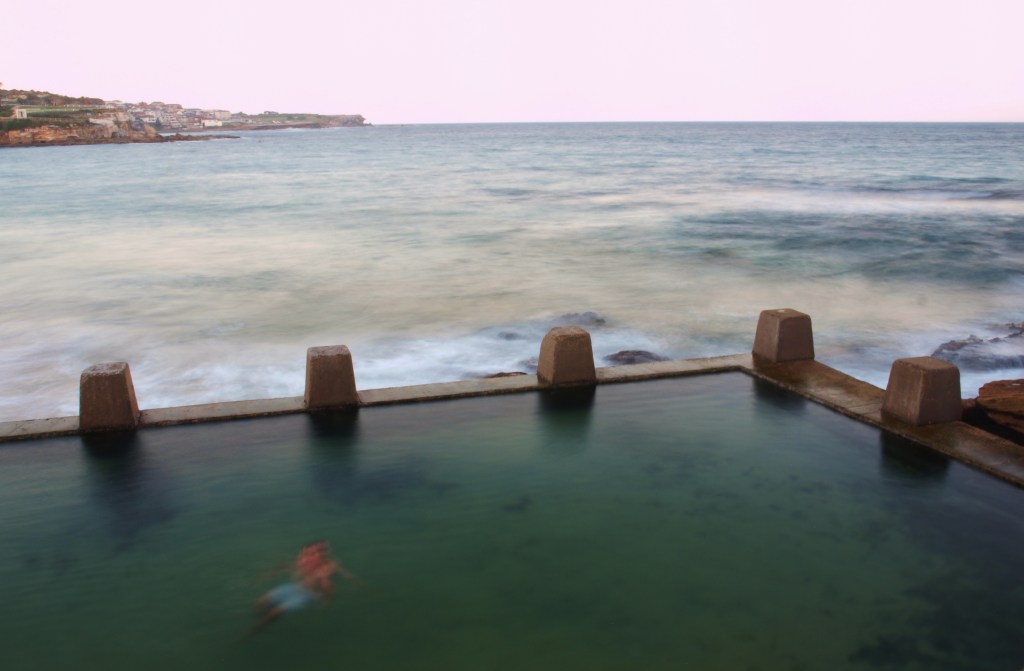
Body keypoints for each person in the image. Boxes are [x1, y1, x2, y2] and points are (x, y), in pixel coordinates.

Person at [245, 540, 360, 636]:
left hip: (310, 596)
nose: (305, 557)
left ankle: (252, 631)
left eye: (313, 554)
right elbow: (282, 566)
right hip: (295, 587)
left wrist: (323, 608)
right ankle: (254, 617)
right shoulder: (301, 562)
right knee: (260, 603)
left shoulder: (326, 570)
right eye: (306, 554)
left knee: (275, 612)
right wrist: (264, 577)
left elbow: (330, 591)